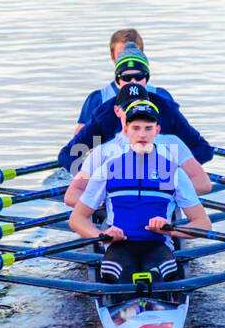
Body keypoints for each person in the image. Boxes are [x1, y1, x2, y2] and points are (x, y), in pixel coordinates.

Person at [68, 97, 214, 285]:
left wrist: (171, 229)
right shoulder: (108, 169)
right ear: (126, 131)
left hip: (158, 246)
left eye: (148, 128)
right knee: (122, 274)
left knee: (155, 275)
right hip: (118, 247)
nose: (142, 135)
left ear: (157, 131)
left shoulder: (172, 171)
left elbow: (203, 223)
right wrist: (102, 236)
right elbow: (77, 219)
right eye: (136, 128)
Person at [59, 46, 212, 173]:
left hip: (160, 181)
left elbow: (203, 149)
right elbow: (68, 154)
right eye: (126, 78)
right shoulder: (104, 113)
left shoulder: (166, 108)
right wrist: (89, 177)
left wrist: (174, 172)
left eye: (139, 76)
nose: (133, 82)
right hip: (116, 181)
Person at [63, 84, 210, 207]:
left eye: (140, 106)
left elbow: (203, 183)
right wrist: (99, 200)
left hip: (161, 219)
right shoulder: (104, 151)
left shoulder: (171, 143)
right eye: (129, 108)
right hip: (114, 225)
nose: (135, 112)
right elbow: (72, 194)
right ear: (117, 111)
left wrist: (163, 194)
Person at [73, 30, 171, 134]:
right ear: (113, 57)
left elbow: (178, 137)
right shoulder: (98, 99)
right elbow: (81, 144)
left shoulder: (161, 96)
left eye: (134, 53)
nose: (127, 57)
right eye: (121, 54)